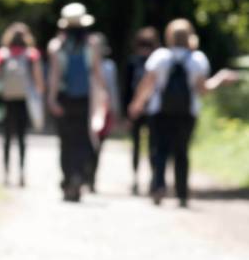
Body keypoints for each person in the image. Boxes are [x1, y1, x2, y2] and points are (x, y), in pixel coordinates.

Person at [128, 19, 237, 207]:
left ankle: (159, 186)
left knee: (159, 150)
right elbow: (203, 89)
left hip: (159, 111)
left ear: (169, 36)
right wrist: (219, 79)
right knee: (181, 152)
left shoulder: (160, 56)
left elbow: (147, 84)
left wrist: (136, 104)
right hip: (187, 113)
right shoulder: (198, 59)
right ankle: (182, 194)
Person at [47, 3, 107, 202]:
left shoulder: (56, 46)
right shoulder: (93, 44)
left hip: (65, 98)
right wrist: (103, 99)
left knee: (66, 142)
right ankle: (78, 177)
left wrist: (52, 99)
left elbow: (55, 76)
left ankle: (67, 179)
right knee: (82, 140)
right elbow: (97, 74)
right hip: (85, 98)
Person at [0, 22, 45, 187]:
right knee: (22, 138)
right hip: (25, 100)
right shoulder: (32, 55)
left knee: (7, 138)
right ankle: (22, 174)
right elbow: (39, 82)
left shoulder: (1, 54)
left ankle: (6, 174)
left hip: (7, 99)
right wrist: (40, 95)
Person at [124, 27, 160, 195]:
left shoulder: (133, 61)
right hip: (154, 109)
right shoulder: (158, 61)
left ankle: (136, 179)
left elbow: (126, 88)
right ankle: (154, 179)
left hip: (135, 109)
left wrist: (127, 112)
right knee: (154, 146)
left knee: (137, 146)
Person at [86, 32, 120, 193]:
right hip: (88, 109)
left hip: (103, 110)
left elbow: (112, 89)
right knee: (88, 145)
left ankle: (91, 178)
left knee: (97, 146)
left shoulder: (108, 66)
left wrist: (114, 110)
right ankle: (87, 177)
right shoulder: (85, 64)